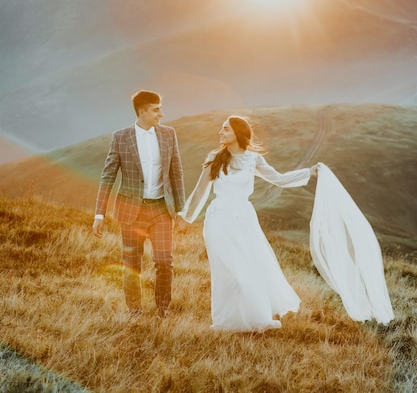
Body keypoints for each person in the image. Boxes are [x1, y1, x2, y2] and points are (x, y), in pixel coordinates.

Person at [178, 115, 319, 332]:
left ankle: (255, 318)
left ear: (237, 133)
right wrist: (186, 217)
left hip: (244, 219)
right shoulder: (215, 157)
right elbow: (200, 191)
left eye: (225, 129)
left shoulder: (254, 159)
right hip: (219, 218)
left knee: (249, 268)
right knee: (229, 271)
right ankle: (226, 321)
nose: (220, 132)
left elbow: (279, 179)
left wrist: (308, 172)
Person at [92, 90, 185, 320]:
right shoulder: (121, 137)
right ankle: (134, 311)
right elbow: (108, 176)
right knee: (132, 264)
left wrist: (181, 210)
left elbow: (176, 173)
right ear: (142, 112)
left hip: (161, 210)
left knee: (164, 261)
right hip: (131, 212)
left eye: (160, 108)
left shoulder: (168, 134)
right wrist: (99, 214)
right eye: (156, 109)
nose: (161, 114)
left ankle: (163, 309)